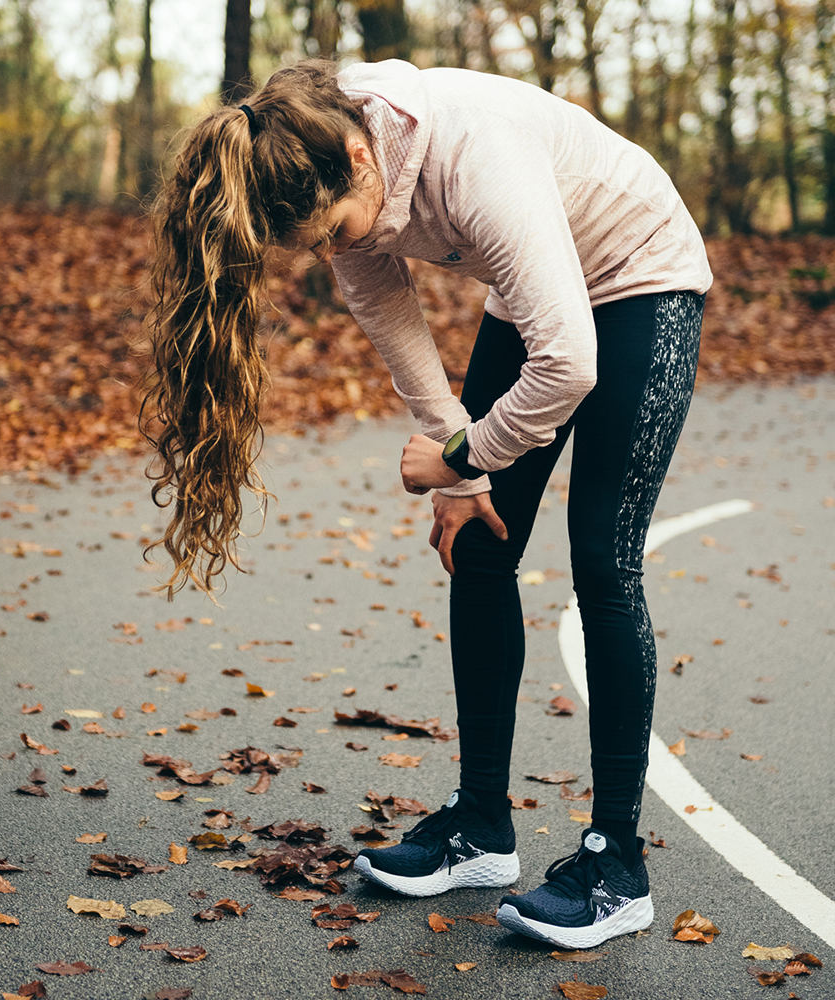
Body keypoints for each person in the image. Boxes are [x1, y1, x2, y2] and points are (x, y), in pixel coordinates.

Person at [142, 58, 711, 951]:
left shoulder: (472, 156)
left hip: (643, 279)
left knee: (603, 561)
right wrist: (469, 481)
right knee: (481, 544)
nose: (337, 247)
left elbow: (570, 364)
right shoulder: (326, 157)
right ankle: (483, 826)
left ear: (363, 162)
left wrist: (459, 455)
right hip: (539, 297)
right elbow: (401, 336)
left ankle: (617, 864)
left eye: (335, 228)